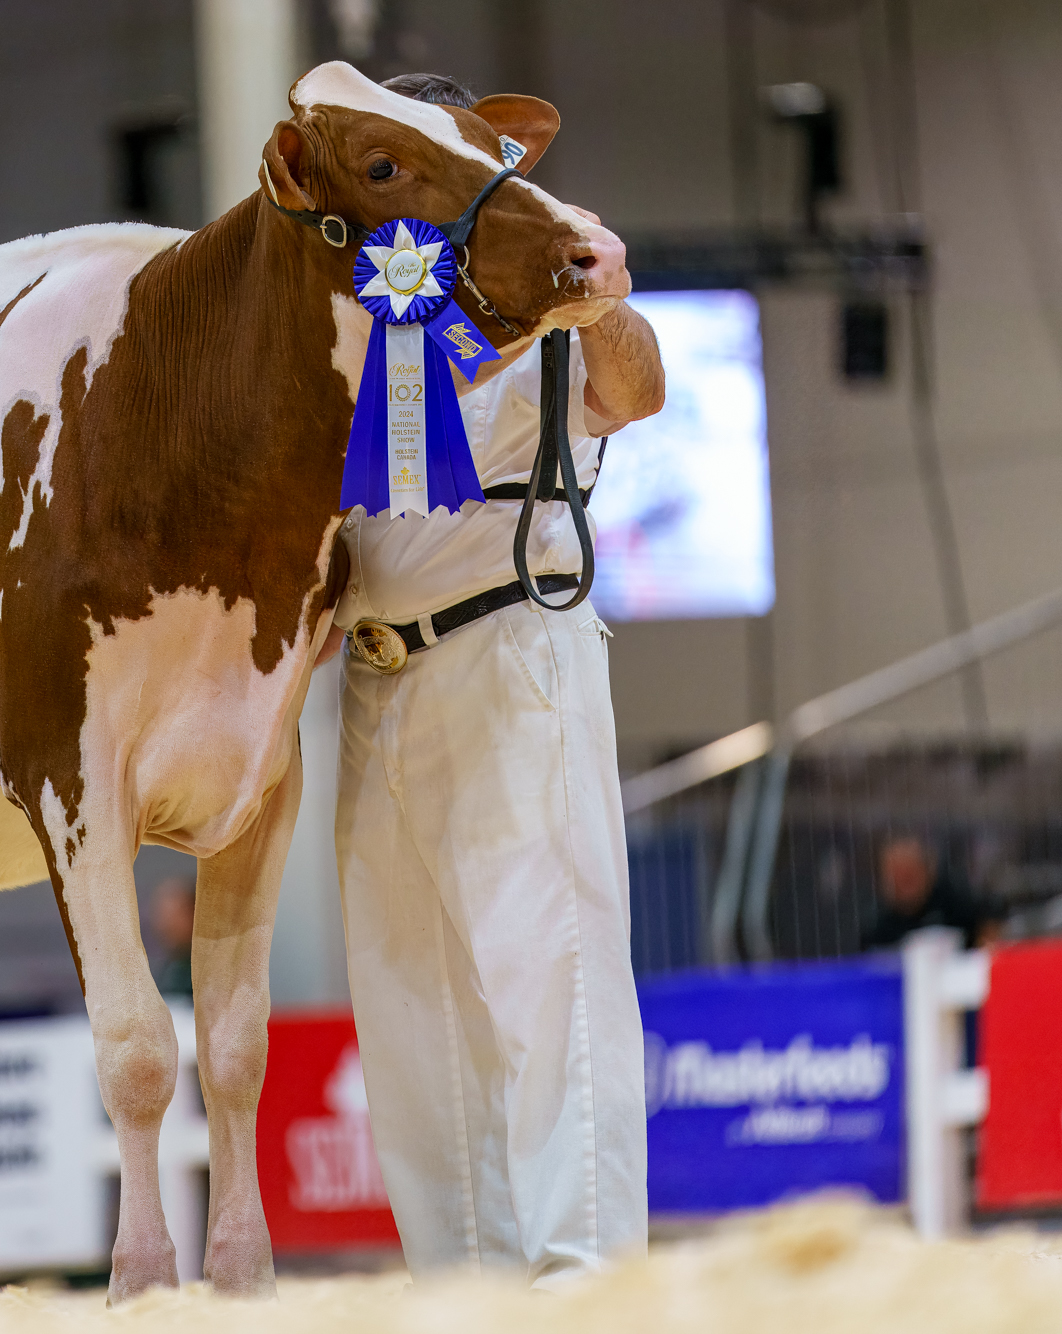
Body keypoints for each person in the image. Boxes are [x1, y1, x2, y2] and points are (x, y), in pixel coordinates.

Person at [329, 73, 666, 1290]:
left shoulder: (541, 262)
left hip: (511, 642)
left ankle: (585, 1286)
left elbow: (637, 390)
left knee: (550, 974)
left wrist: (597, 294)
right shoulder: (349, 305)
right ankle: (462, 1289)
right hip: (372, 677)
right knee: (409, 1011)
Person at [861, 834, 1005, 950]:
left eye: (910, 874)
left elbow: (991, 913)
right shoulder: (877, 923)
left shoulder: (953, 901)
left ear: (927, 871)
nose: (903, 883)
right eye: (896, 876)